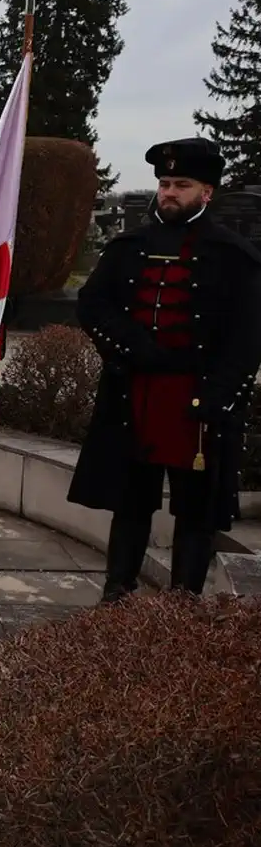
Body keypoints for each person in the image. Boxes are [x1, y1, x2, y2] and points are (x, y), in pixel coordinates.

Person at [70, 137, 261, 600]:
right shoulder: (129, 246)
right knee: (131, 500)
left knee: (195, 509)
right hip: (134, 392)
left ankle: (181, 607)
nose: (169, 193)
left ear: (206, 192)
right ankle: (116, 593)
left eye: (181, 185)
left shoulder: (233, 255)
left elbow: (248, 336)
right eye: (165, 184)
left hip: (198, 402)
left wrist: (219, 397)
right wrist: (132, 345)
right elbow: (92, 303)